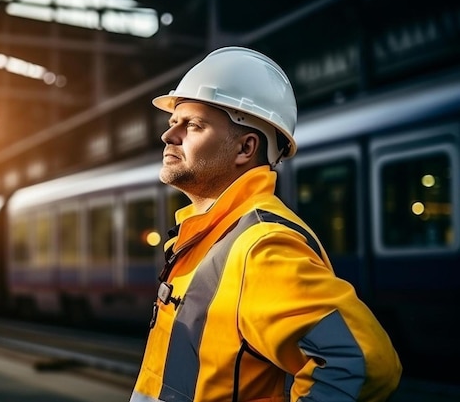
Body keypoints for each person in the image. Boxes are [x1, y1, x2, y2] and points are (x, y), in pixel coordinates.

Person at [129, 47, 402, 402]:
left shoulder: (262, 247)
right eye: (172, 123)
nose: (169, 136)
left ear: (246, 148)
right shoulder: (211, 237)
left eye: (193, 124)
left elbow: (365, 363)